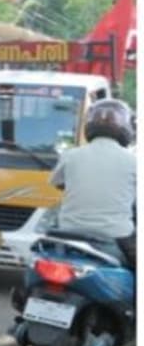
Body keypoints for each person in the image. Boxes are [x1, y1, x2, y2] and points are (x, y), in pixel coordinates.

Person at [49, 98, 136, 268]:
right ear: (126, 127)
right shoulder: (133, 161)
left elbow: (56, 182)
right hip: (116, 234)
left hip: (69, 229)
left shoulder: (71, 155)